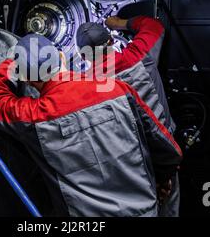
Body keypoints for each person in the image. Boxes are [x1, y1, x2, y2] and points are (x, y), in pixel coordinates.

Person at [0, 33, 182, 216]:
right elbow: (168, 150)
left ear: (27, 81)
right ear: (61, 57)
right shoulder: (119, 90)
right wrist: (162, 180)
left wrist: (11, 62)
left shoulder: (35, 116)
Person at [76, 16, 179, 216]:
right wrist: (120, 23)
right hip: (166, 150)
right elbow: (154, 26)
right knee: (169, 206)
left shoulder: (84, 85)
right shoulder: (139, 55)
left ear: (84, 57)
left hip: (127, 162)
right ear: (112, 42)